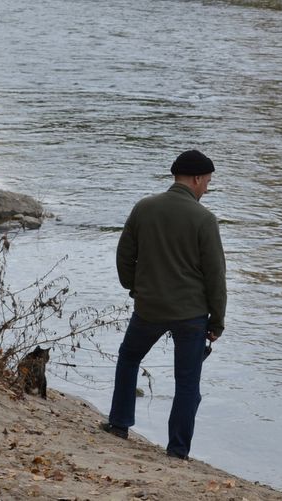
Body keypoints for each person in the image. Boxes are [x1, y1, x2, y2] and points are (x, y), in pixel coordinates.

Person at [103, 149, 227, 460]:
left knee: (129, 358)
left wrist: (135, 288)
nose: (207, 188)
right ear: (197, 179)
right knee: (187, 382)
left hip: (149, 308)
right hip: (191, 315)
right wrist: (217, 321)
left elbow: (124, 255)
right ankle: (178, 450)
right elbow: (216, 276)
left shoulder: (145, 208)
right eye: (208, 182)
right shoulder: (204, 219)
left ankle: (118, 424)